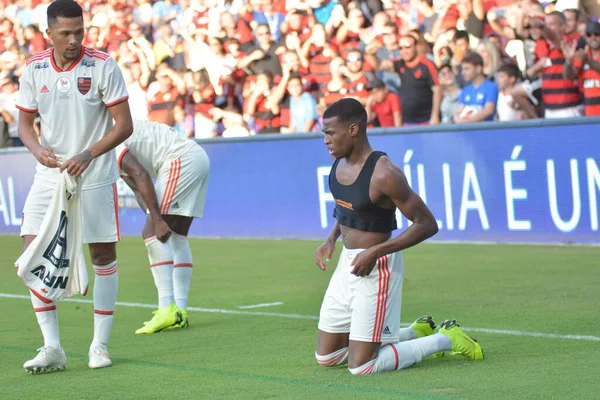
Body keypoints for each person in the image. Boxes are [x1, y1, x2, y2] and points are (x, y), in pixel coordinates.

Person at [314, 98, 483, 375]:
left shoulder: (384, 174)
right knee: (328, 357)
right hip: (348, 264)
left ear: (353, 129)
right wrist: (331, 239)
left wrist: (375, 252)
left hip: (377, 267)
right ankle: (414, 331)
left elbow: (427, 224)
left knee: (362, 366)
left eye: (330, 132)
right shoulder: (338, 164)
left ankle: (446, 338)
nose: (325, 140)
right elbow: (347, 207)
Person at [15, 0, 133, 372]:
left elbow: (124, 125)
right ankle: (53, 348)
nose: (73, 39)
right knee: (31, 249)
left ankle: (99, 345)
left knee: (102, 256)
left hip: (95, 173)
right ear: (48, 33)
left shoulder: (102, 65)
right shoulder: (34, 69)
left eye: (79, 31)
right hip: (51, 175)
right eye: (65, 33)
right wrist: (37, 149)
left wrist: (89, 153)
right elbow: (24, 126)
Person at [116, 119, 210, 334]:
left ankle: (166, 307)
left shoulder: (103, 138)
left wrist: (156, 221)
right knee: (176, 235)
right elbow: (138, 187)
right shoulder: (107, 135)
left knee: (151, 232)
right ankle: (180, 312)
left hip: (180, 160)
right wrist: (153, 215)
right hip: (195, 157)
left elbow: (140, 174)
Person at [453, 52, 498, 124]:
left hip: (486, 131)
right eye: (463, 69)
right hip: (468, 132)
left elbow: (489, 110)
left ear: (478, 69)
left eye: (467, 69)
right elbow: (459, 111)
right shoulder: (466, 90)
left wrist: (468, 121)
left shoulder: (490, 87)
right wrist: (457, 119)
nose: (463, 73)